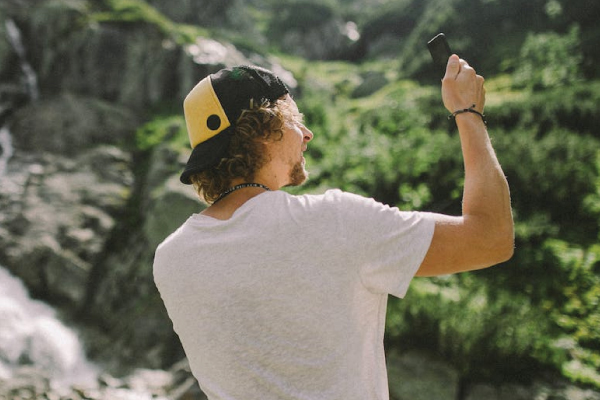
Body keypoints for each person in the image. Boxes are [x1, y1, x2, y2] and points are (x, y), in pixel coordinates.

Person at [153, 56, 513, 400]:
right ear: (262, 129)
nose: (307, 134)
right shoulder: (335, 221)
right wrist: (468, 114)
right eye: (295, 119)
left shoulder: (171, 259)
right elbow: (491, 238)